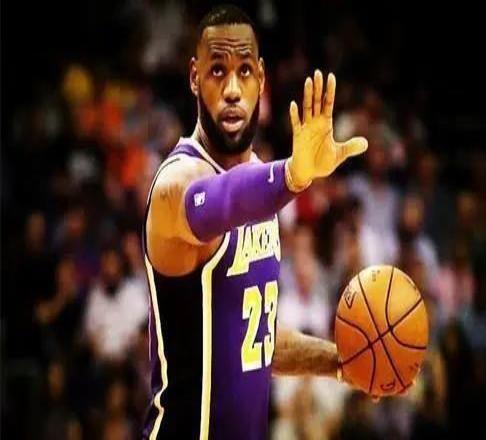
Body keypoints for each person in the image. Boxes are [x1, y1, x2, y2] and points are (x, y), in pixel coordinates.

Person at [142, 5, 369, 439]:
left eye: (244, 71)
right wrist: (293, 175)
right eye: (217, 71)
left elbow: (256, 341)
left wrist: (340, 363)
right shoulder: (176, 183)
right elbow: (221, 201)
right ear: (194, 77)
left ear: (261, 79)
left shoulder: (264, 186)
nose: (232, 89)